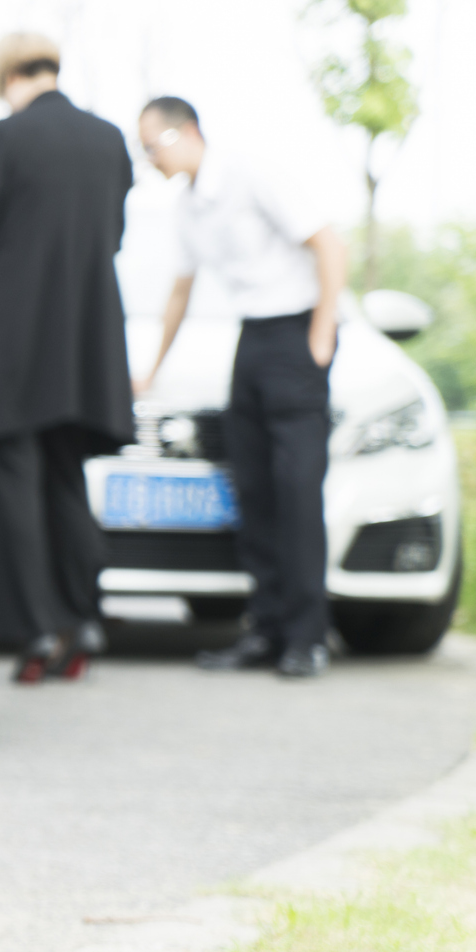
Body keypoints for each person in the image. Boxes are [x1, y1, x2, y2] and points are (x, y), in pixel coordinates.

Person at [134, 97, 349, 679]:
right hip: (251, 340)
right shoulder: (187, 208)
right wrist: (151, 369)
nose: (148, 158)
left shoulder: (251, 177)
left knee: (296, 493)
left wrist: (322, 336)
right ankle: (268, 629)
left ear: (186, 133)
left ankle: (307, 638)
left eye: (152, 145)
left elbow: (328, 244)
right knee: (253, 490)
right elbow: (180, 292)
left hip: (297, 333)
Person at [0, 32, 135, 683]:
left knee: (18, 478)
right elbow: (112, 236)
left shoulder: (8, 138)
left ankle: (33, 627)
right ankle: (83, 617)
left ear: (7, 77)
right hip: (87, 336)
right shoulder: (110, 139)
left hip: (17, 331)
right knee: (67, 478)